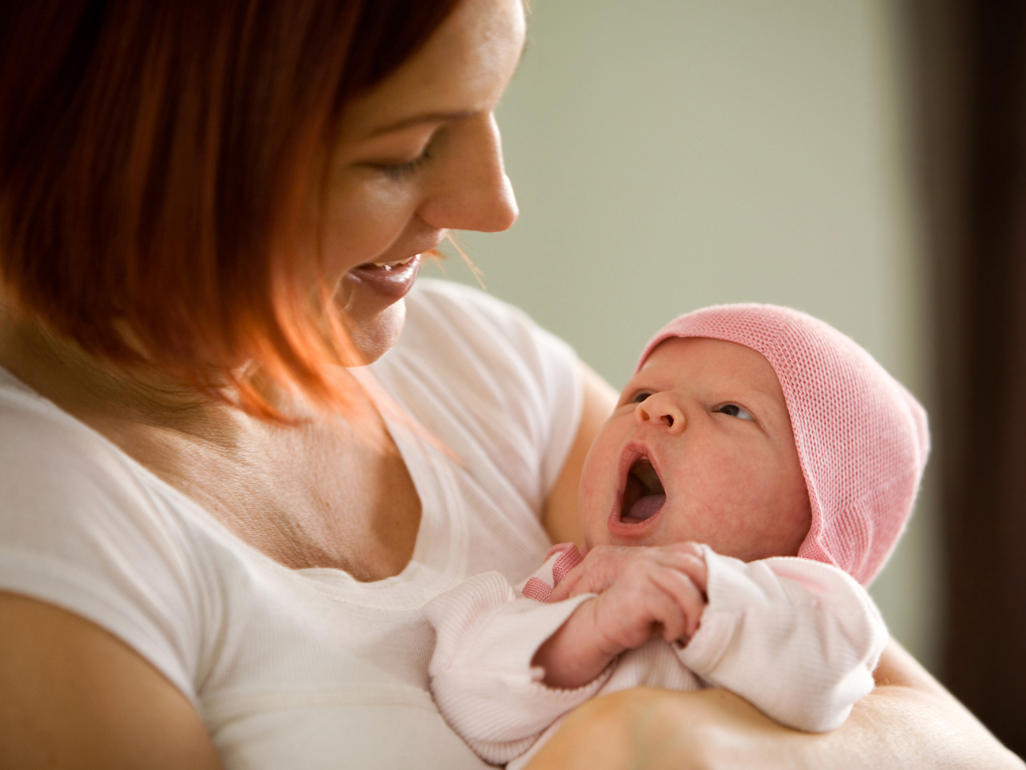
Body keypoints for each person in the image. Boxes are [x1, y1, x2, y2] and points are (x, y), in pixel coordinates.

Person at [0, 2, 1019, 769]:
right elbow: (493, 672)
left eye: (491, 107)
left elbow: (966, 750)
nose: (494, 206)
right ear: (143, 155)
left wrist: (656, 735)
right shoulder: (48, 537)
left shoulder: (481, 370)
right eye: (403, 153)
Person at [426, 303, 927, 768]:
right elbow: (468, 702)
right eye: (640, 395)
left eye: (730, 410)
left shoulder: (816, 611)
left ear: (818, 516)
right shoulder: (561, 591)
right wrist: (583, 634)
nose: (656, 407)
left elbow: (824, 680)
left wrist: (700, 592)